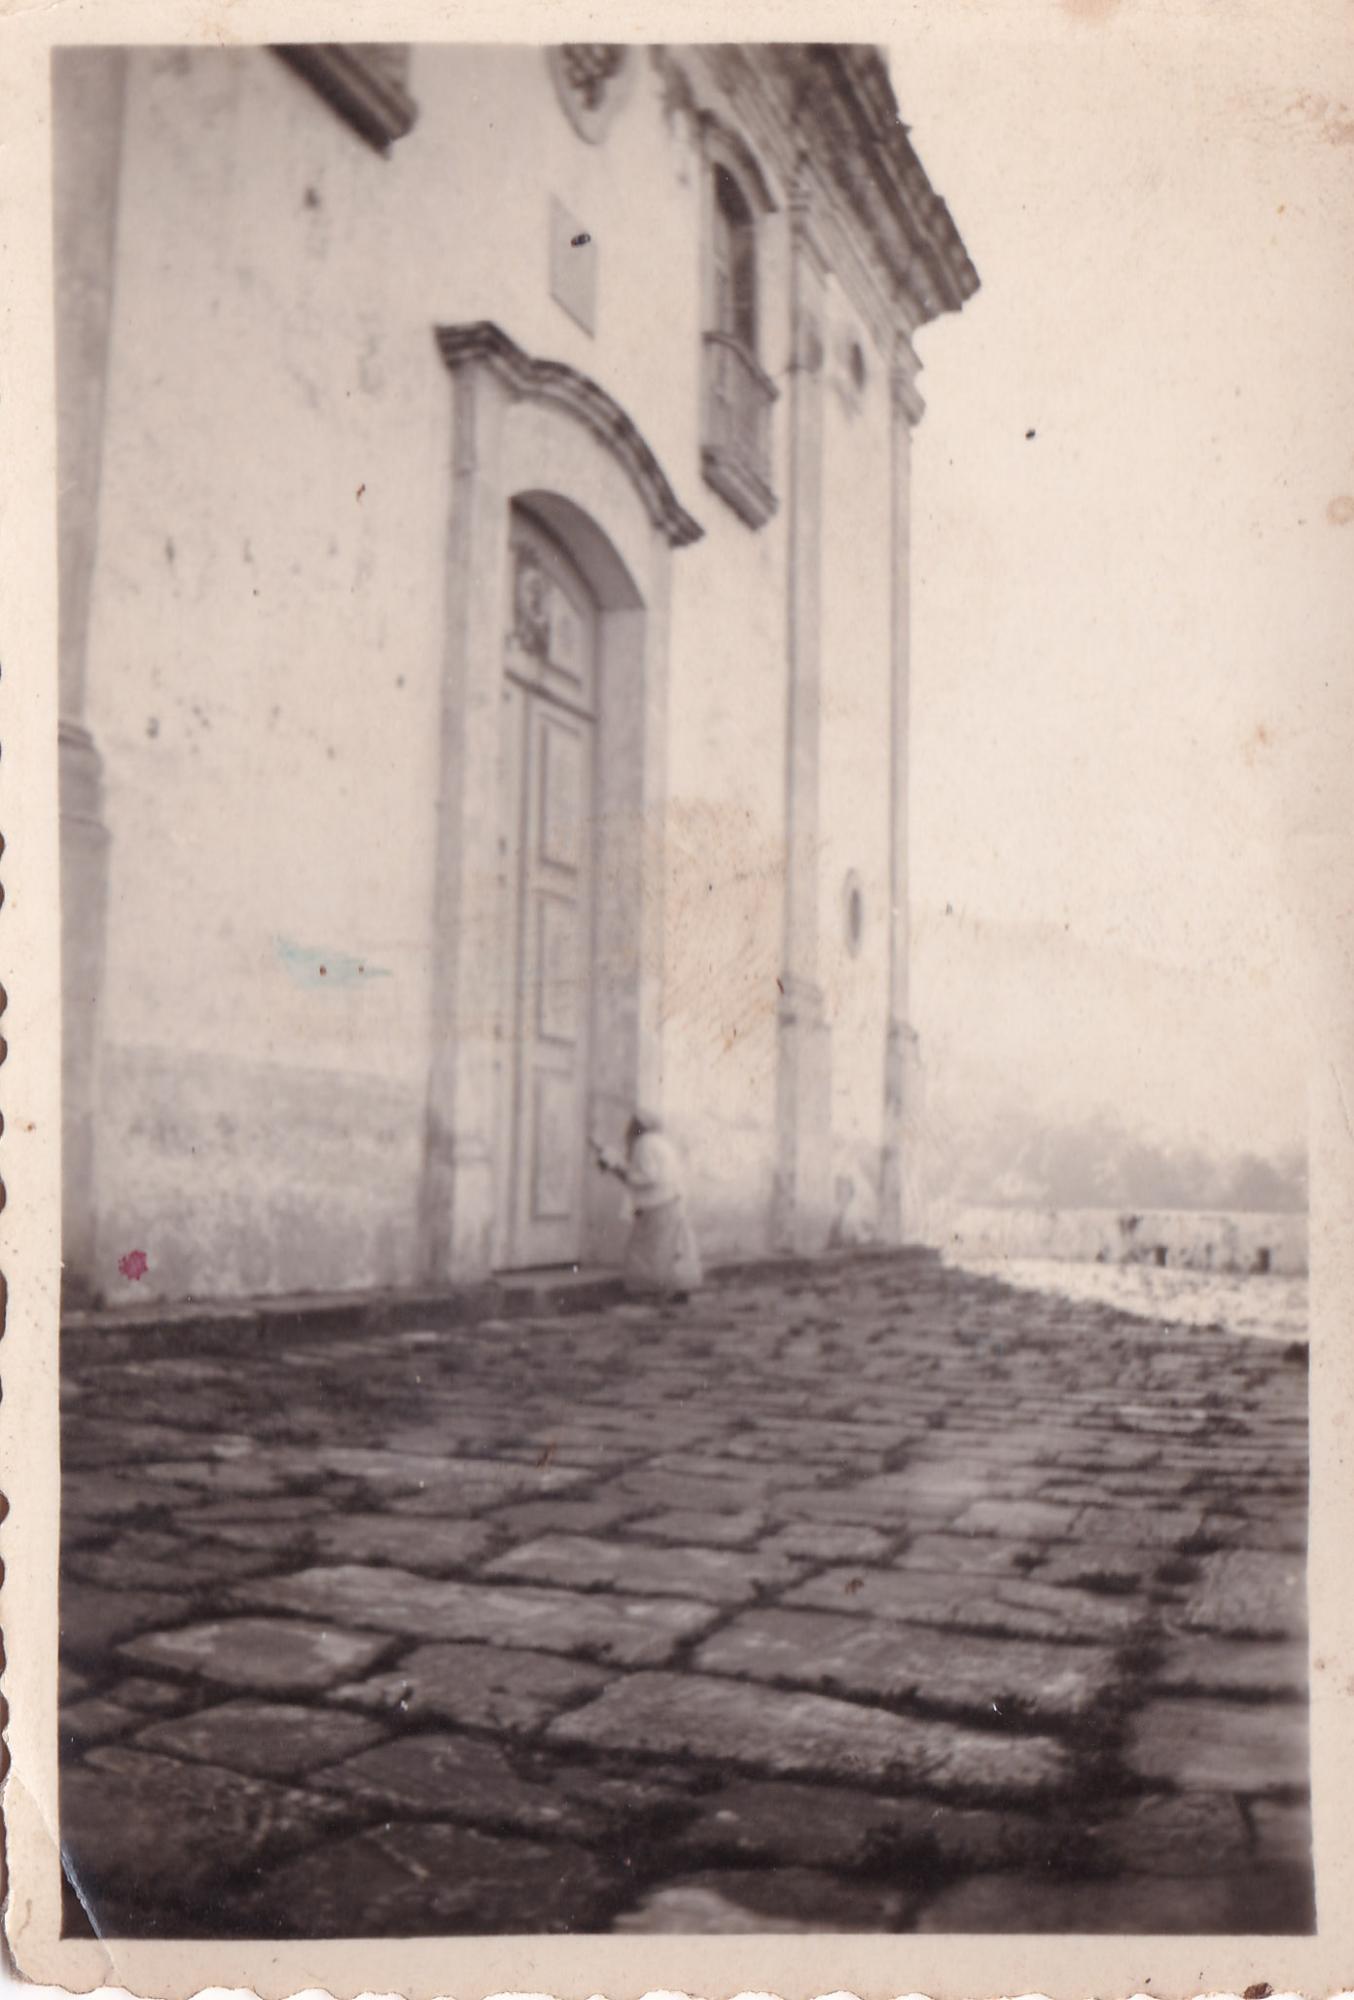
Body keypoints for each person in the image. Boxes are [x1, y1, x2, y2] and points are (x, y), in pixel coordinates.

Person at [591, 1111, 703, 1302]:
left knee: (648, 1251)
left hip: (656, 1204)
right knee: (669, 1250)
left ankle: (649, 1290)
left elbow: (646, 1176)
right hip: (670, 1200)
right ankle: (675, 1288)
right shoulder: (661, 1143)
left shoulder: (644, 1144)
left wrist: (618, 1168)